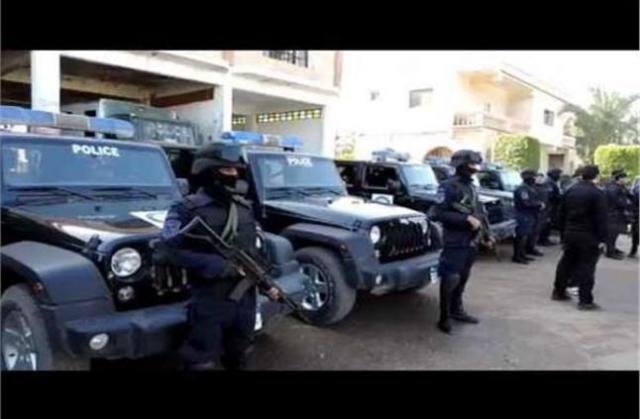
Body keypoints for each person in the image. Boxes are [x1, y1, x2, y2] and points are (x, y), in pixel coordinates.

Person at [158, 142, 280, 370]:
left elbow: (252, 253)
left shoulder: (244, 208)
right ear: (207, 170)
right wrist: (215, 265)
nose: (233, 175)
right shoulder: (185, 208)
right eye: (226, 169)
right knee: (201, 358)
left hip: (245, 298)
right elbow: (167, 251)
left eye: (236, 170)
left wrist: (267, 284)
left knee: (241, 350)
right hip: (210, 298)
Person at [433, 149, 493, 334]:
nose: (475, 168)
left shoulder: (472, 186)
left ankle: (456, 310)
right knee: (451, 278)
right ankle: (444, 318)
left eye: (476, 164)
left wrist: (487, 233)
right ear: (461, 165)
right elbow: (439, 213)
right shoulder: (447, 186)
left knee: (463, 277)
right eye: (472, 164)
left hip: (471, 240)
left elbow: (479, 212)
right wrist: (465, 219)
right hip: (455, 240)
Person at [551, 165, 608, 310]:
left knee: (566, 263)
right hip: (588, 235)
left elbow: (561, 213)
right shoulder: (597, 193)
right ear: (596, 176)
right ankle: (585, 300)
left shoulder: (570, 190)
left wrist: (563, 232)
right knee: (586, 267)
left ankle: (558, 291)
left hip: (570, 232)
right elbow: (601, 218)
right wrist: (602, 239)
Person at [512, 169, 544, 264]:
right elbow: (526, 203)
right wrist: (539, 204)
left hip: (529, 215)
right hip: (523, 215)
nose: (535, 179)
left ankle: (522, 254)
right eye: (534, 177)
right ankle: (517, 256)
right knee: (521, 236)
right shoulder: (522, 189)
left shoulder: (529, 187)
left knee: (526, 235)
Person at [604, 169, 631, 260]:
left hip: (614, 213)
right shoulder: (613, 188)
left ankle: (612, 249)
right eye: (625, 178)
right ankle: (610, 252)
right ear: (619, 179)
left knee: (614, 233)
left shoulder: (618, 187)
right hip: (612, 214)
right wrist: (627, 203)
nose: (627, 180)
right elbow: (618, 202)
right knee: (612, 233)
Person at [539, 168, 563, 246]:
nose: (559, 176)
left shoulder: (552, 182)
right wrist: (560, 197)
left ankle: (545, 238)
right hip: (548, 206)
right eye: (558, 174)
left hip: (551, 206)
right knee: (546, 223)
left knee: (548, 223)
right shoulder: (549, 182)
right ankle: (543, 240)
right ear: (554, 174)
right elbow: (550, 196)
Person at [532, 172, 551, 249]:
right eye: (538, 177)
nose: (539, 179)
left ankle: (536, 243)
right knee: (535, 229)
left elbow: (547, 200)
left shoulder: (545, 187)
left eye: (541, 177)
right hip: (536, 211)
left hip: (544, 211)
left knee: (540, 228)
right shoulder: (532, 187)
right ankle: (533, 245)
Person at [628, 180, 639, 258]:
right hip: (636, 214)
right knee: (635, 233)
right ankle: (633, 250)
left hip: (636, 213)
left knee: (635, 233)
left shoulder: (636, 186)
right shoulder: (636, 186)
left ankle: (633, 251)